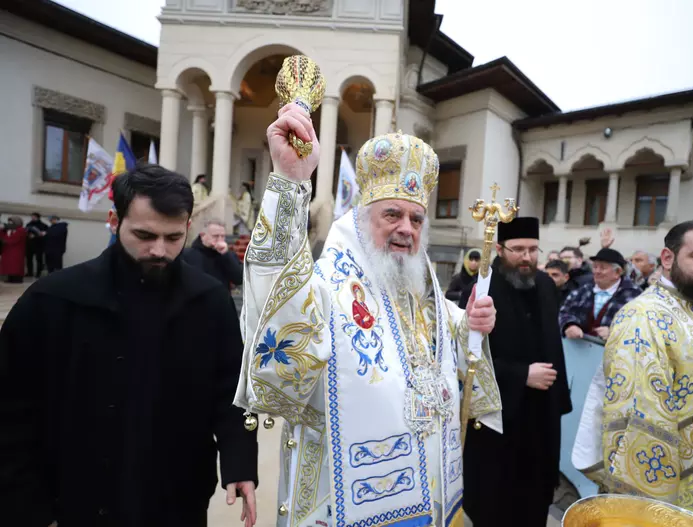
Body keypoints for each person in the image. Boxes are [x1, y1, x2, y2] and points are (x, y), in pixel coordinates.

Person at [233, 107, 501, 527]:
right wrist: (289, 183)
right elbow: (277, 302)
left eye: (416, 218)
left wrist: (471, 323)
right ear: (362, 221)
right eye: (391, 215)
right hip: (341, 498)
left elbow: (448, 334)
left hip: (427, 493)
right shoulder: (328, 285)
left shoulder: (421, 288)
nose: (406, 229)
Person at [0, 165, 258, 527]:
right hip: (74, 502)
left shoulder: (209, 300)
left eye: (173, 237)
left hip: (176, 501)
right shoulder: (52, 300)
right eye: (144, 234)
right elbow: (11, 411)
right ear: (113, 220)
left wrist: (240, 462)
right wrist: (25, 506)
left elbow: (232, 391)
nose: (160, 250)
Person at [584, 220, 693, 527]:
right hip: (672, 499)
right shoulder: (644, 317)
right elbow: (640, 425)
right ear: (668, 258)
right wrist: (648, 514)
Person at [459, 217, 571, 527]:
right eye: (518, 249)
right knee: (496, 501)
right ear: (499, 249)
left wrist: (558, 397)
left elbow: (553, 346)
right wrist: (522, 375)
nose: (527, 257)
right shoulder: (480, 289)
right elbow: (468, 358)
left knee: (535, 497)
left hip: (541, 415)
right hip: (499, 417)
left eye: (533, 249)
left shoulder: (546, 285)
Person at [559, 248, 642, 342]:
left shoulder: (635, 295)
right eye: (595, 267)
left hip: (616, 353)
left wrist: (615, 332)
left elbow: (641, 326)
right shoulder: (584, 290)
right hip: (580, 352)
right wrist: (569, 325)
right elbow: (564, 312)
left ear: (618, 272)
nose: (597, 271)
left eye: (602, 268)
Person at [182, 218, 243, 291]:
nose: (220, 239)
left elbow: (239, 279)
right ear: (202, 236)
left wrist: (225, 255)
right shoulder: (187, 255)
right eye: (216, 236)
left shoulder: (229, 255)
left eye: (223, 236)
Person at [0, 216, 27, 283]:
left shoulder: (21, 230)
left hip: (16, 251)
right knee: (8, 265)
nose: (9, 223)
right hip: (7, 250)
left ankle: (17, 279)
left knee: (16, 265)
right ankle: (10, 278)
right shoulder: (9, 230)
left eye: (11, 222)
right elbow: (2, 237)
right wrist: (2, 230)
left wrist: (4, 240)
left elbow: (14, 240)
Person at [25, 212, 48, 278]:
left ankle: (38, 273)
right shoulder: (29, 224)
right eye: (32, 216)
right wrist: (28, 235)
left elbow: (45, 235)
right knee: (29, 259)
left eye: (34, 217)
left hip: (39, 245)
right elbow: (25, 232)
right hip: (29, 245)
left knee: (39, 260)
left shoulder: (43, 225)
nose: (32, 218)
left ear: (38, 217)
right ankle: (30, 273)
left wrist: (35, 236)